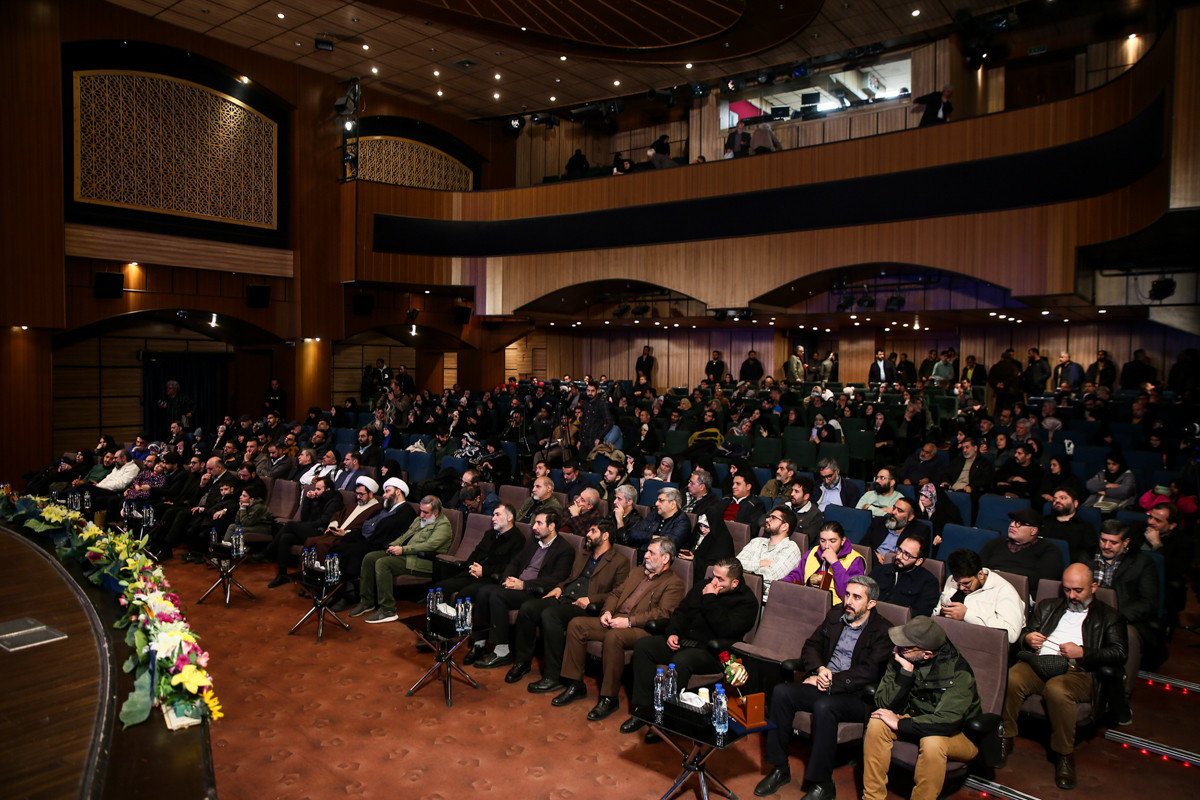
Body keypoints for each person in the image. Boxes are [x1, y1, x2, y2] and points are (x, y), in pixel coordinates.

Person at [756, 576, 894, 799]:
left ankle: (822, 783)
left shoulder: (883, 631)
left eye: (856, 597)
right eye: (847, 594)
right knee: (782, 692)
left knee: (824, 706)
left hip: (857, 695)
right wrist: (819, 669)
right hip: (824, 681)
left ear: (871, 604)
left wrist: (830, 682)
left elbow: (869, 672)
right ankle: (779, 768)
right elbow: (811, 645)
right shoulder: (836, 615)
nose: (848, 601)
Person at [1000, 563, 1128, 789]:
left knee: (1057, 690)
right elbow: (1026, 633)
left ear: (1093, 587)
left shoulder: (1109, 616)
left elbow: (1119, 653)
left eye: (1078, 590)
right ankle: (1005, 737)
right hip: (1041, 663)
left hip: (1077, 671)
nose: (1072, 596)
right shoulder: (1048, 607)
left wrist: (1084, 652)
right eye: (1067, 590)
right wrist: (1028, 639)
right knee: (1013, 677)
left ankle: (1064, 755)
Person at [549, 536, 687, 718]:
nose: (645, 556)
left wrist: (629, 622)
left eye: (651, 553)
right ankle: (575, 684)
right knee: (576, 624)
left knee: (614, 636)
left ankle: (609, 697)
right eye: (647, 551)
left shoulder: (674, 583)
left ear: (665, 558)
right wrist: (607, 611)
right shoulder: (637, 572)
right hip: (616, 619)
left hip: (642, 629)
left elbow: (662, 614)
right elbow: (615, 594)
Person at [621, 557, 758, 739]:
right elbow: (681, 612)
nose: (714, 582)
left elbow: (725, 630)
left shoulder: (747, 602)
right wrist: (673, 632)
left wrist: (709, 598)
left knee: (681, 661)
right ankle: (644, 710)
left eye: (720, 579)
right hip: (685, 641)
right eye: (713, 576)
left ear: (734, 583)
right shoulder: (703, 585)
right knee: (644, 646)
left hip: (713, 651)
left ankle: (667, 721)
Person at [862, 616, 982, 800]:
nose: (898, 648)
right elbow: (883, 703)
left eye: (906, 647)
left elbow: (945, 722)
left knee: (933, 742)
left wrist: (900, 724)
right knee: (878, 722)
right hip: (916, 720)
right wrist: (905, 674)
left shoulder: (959, 674)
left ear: (927, 654)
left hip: (957, 733)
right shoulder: (901, 657)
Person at [506, 520, 630, 684]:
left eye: (593, 531)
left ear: (605, 536)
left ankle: (552, 676)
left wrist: (591, 599)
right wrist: (559, 587)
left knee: (550, 615)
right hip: (565, 597)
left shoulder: (620, 561)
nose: (587, 534)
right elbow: (571, 578)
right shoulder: (584, 554)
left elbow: (617, 594)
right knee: (528, 608)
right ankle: (522, 663)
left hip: (586, 606)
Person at [461, 510, 575, 667]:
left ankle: (502, 652)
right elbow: (515, 562)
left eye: (539, 523)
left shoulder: (565, 549)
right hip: (516, 585)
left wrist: (523, 585)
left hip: (534, 591)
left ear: (551, 526)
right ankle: (479, 644)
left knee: (496, 595)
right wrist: (508, 578)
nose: (534, 527)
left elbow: (556, 579)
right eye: (534, 523)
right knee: (482, 591)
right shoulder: (533, 541)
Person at [1093, 519, 1162, 668]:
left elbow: (1148, 603)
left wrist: (1116, 617)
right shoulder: (1086, 557)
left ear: (1125, 542)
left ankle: (1122, 681)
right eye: (1103, 540)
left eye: (1113, 542)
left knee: (1126, 637)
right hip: (1090, 614)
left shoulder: (1142, 563)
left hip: (1125, 619)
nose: (1106, 546)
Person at [934, 549, 1025, 643]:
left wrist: (967, 615)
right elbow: (939, 607)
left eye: (966, 583)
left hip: (982, 643)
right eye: (958, 583)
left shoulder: (1004, 591)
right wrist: (942, 612)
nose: (961, 588)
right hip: (950, 636)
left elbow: (1011, 635)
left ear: (980, 575)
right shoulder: (953, 580)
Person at [783, 521, 867, 605]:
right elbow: (798, 575)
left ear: (842, 541)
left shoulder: (855, 560)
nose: (827, 546)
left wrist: (835, 563)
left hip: (834, 606)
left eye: (832, 541)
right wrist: (781, 584)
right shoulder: (813, 552)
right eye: (823, 541)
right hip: (807, 599)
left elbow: (850, 595)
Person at [979, 508, 1065, 588]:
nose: (1012, 525)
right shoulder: (995, 543)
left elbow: (1044, 580)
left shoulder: (1048, 549)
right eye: (1012, 521)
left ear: (1033, 531)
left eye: (1019, 523)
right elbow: (978, 568)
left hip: (1022, 592)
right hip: (989, 588)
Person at [736, 507, 802, 600]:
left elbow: (772, 575)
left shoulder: (791, 548)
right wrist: (762, 563)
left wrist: (747, 571)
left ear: (784, 526)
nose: (767, 519)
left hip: (764, 599)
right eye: (769, 517)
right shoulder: (756, 541)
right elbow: (736, 565)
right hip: (740, 591)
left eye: (773, 518)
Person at [869, 532, 940, 618]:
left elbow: (920, 618)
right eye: (899, 550)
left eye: (907, 555)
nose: (899, 556)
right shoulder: (880, 570)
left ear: (918, 561)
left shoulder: (928, 583)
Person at [626, 486, 692, 560]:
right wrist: (652, 537)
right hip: (643, 556)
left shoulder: (683, 522)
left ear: (673, 504)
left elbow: (667, 546)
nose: (656, 503)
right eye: (658, 500)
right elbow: (632, 533)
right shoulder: (654, 515)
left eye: (661, 500)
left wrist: (646, 538)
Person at [864, 497, 930, 561]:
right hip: (872, 560)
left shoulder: (920, 530)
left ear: (910, 517)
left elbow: (915, 557)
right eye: (894, 508)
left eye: (900, 510)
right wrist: (875, 555)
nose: (893, 512)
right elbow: (864, 545)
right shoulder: (879, 522)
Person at [1041, 487, 1095, 563]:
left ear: (1075, 503)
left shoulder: (1085, 526)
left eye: (1062, 498)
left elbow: (1090, 554)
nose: (1057, 501)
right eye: (1055, 499)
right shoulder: (1043, 521)